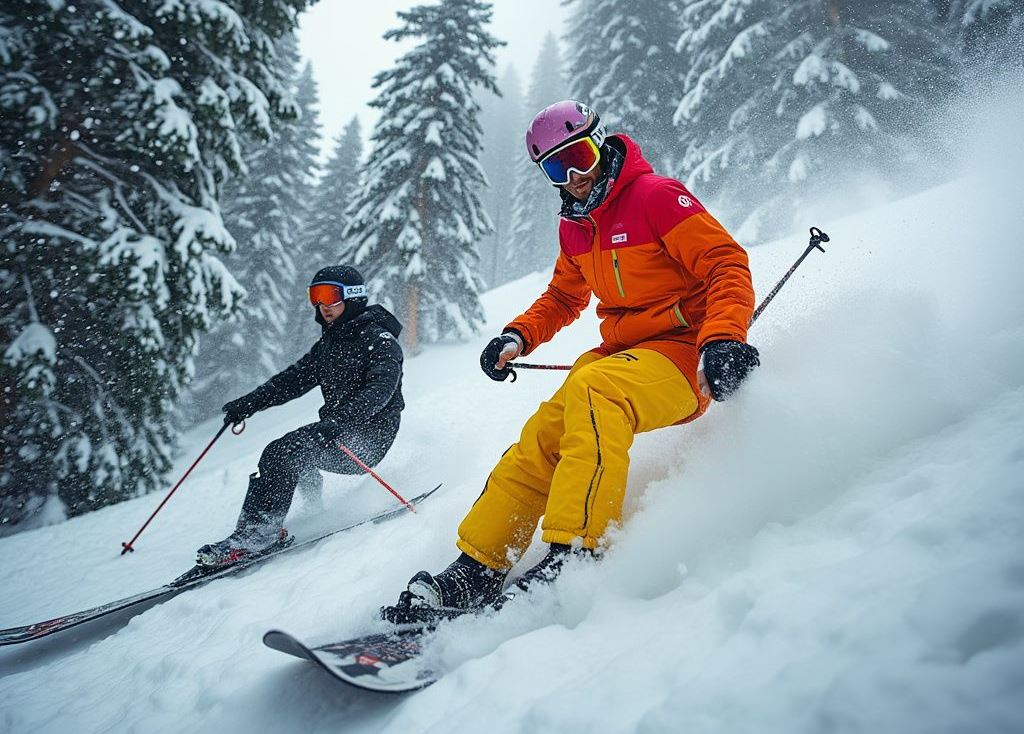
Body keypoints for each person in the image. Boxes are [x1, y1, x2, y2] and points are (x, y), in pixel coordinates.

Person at [384, 100, 759, 621]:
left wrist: (723, 338)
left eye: (580, 156)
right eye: (557, 168)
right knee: (545, 433)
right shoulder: (577, 228)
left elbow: (726, 263)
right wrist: (518, 335)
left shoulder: (656, 197)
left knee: (595, 388)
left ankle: (580, 552)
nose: (575, 176)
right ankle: (479, 565)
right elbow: (564, 297)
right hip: (621, 358)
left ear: (600, 145)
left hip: (686, 356)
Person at [196, 265, 405, 566]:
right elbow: (291, 381)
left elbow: (380, 390)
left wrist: (339, 422)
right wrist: (249, 403)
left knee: (283, 452)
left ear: (353, 297)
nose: (321, 305)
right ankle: (308, 511)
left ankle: (258, 535)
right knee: (293, 451)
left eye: (329, 295)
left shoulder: (380, 341)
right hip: (336, 432)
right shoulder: (330, 345)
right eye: (315, 296)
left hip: (367, 440)